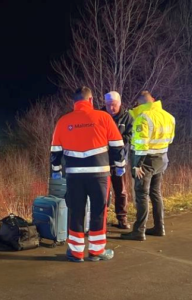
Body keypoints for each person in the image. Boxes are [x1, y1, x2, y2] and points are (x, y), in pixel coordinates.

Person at [50, 87, 126, 262]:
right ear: (91, 100)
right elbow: (117, 145)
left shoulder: (63, 121)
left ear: (74, 103)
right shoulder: (103, 117)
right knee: (99, 211)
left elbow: (55, 151)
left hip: (74, 176)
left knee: (76, 211)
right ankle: (96, 251)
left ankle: (76, 252)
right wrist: (120, 166)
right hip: (99, 175)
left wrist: (56, 171)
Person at [121, 91, 175, 241]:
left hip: (146, 161)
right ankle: (159, 227)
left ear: (139, 103)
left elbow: (140, 146)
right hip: (162, 159)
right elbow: (170, 139)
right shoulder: (169, 117)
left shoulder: (143, 118)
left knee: (141, 194)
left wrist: (137, 166)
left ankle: (139, 231)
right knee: (155, 193)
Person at [104, 91, 133, 230]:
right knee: (101, 191)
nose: (111, 108)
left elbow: (131, 134)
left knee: (120, 190)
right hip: (102, 160)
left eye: (114, 105)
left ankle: (122, 217)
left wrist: (118, 141)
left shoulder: (127, 117)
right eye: (108, 105)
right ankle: (101, 219)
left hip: (119, 160)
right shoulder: (100, 116)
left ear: (119, 103)